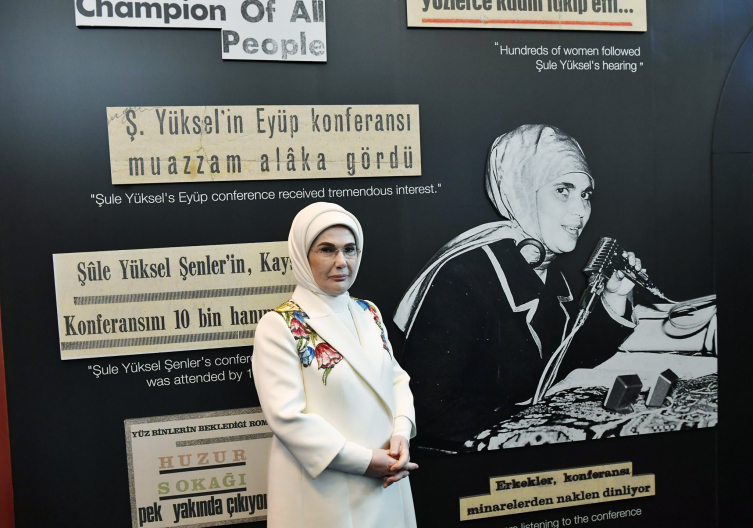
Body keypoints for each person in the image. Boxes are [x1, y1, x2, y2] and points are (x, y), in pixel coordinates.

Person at [394, 124, 642, 453]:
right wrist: (537, 428)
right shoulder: (462, 277)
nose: (581, 210)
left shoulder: (547, 272)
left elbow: (566, 359)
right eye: (563, 190)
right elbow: (427, 411)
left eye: (585, 194)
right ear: (522, 189)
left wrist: (614, 296)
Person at [253, 202, 418, 528]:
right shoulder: (280, 325)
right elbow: (287, 417)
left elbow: (396, 380)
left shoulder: (369, 312)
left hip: (388, 480)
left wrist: (401, 432)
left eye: (349, 249)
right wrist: (365, 461)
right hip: (326, 494)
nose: (342, 261)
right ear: (302, 255)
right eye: (327, 250)